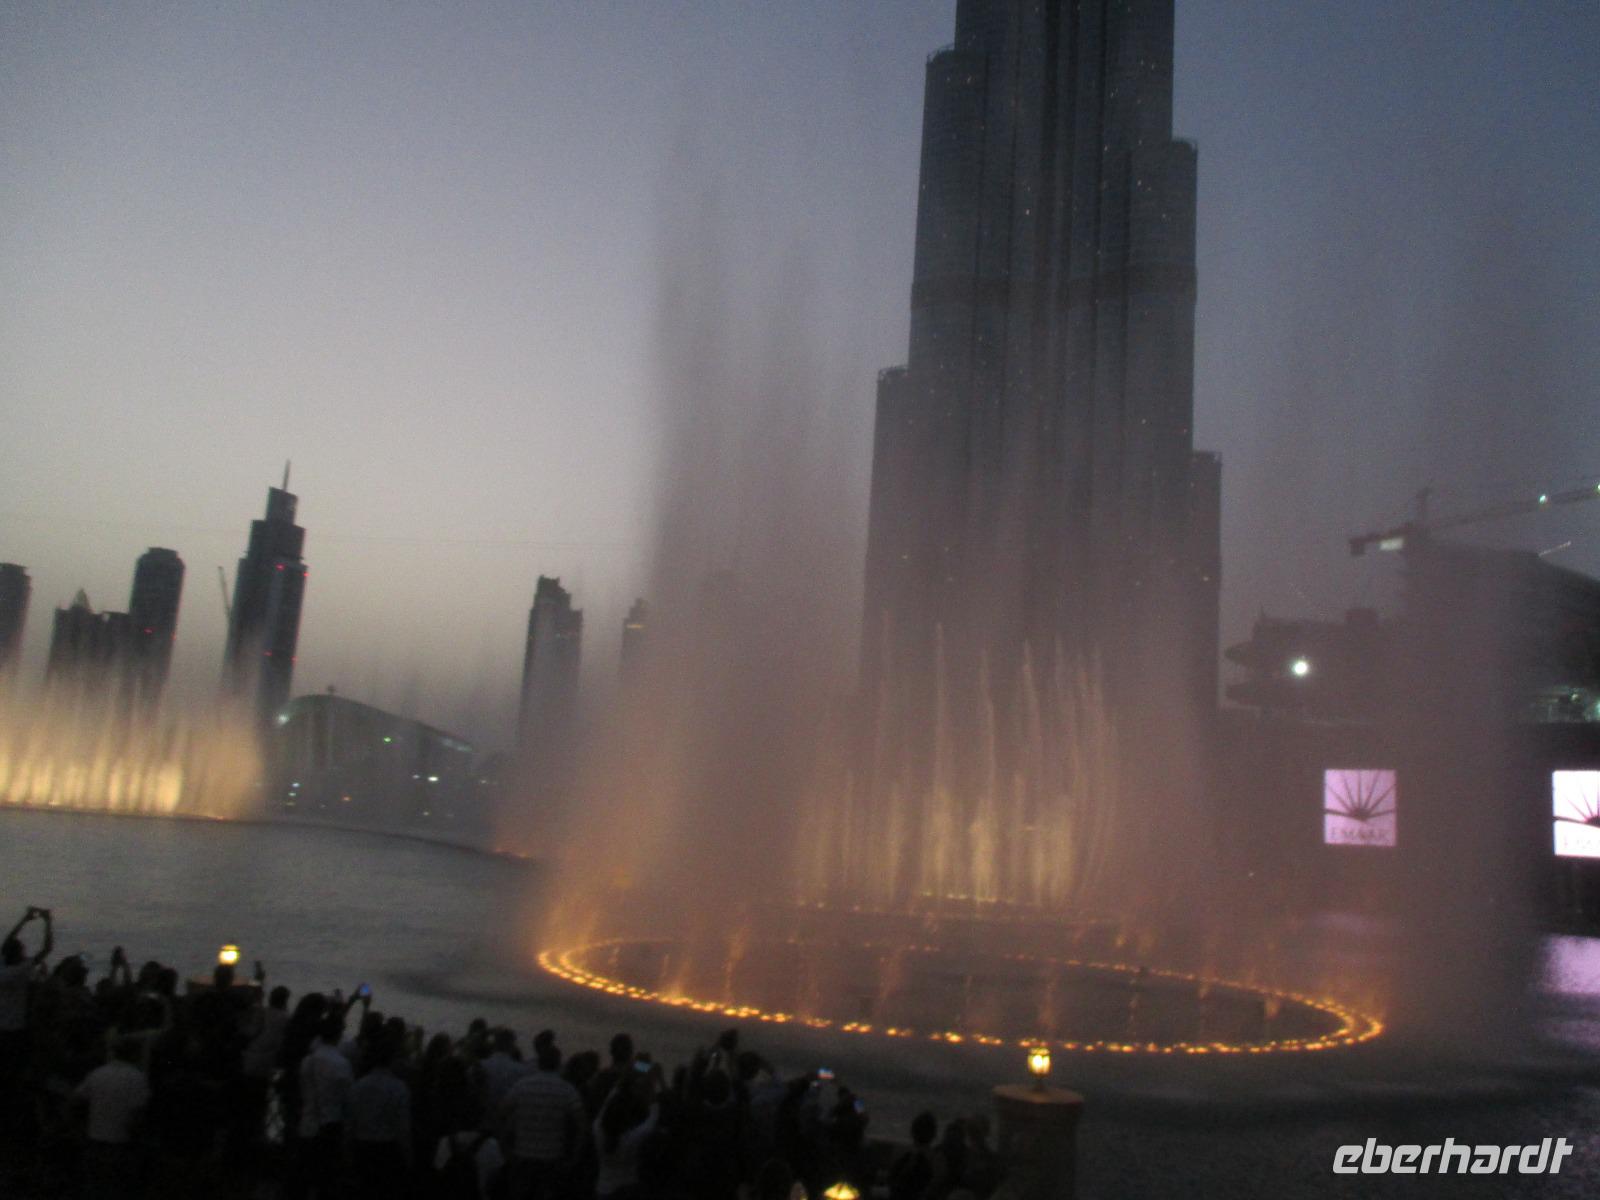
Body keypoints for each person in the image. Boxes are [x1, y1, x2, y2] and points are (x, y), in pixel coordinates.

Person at [500, 1041, 584, 1200]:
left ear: (539, 1061)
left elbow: (501, 1114)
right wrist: (573, 1156)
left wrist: (505, 1146)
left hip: (522, 1155)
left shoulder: (522, 1086)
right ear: (558, 1063)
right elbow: (581, 1124)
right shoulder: (567, 1090)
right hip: (552, 1158)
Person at [72, 1035, 150, 1199]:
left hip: (95, 1140)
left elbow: (75, 1100)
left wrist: (76, 1128)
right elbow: (138, 1115)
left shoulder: (97, 1073)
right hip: (121, 1143)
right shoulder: (137, 1078)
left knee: (96, 1188)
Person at [294, 1015, 354, 1198]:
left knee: (302, 1175)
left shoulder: (308, 1060)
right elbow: (348, 1098)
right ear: (338, 1035)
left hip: (307, 1121)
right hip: (329, 1125)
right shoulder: (342, 1064)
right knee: (325, 1179)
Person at [347, 1036, 412, 1199]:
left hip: (361, 1147)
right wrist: (408, 1156)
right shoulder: (399, 1088)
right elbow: (402, 1128)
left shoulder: (358, 1085)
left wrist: (346, 1151)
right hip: (387, 1151)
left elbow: (350, 1123)